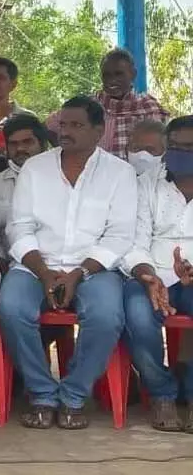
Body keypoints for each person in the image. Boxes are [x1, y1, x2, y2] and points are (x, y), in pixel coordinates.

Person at [0, 96, 135, 430]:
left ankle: (73, 396)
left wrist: (78, 273)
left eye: (77, 125)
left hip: (94, 268)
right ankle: (43, 393)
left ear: (99, 131)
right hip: (34, 265)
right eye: (63, 125)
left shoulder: (120, 173)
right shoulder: (36, 168)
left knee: (106, 316)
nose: (66, 132)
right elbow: (19, 227)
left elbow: (119, 236)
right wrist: (43, 272)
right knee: (10, 308)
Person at [121, 115, 193, 432]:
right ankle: (162, 392)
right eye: (174, 146)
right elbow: (134, 241)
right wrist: (148, 274)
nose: (180, 153)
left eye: (189, 147)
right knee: (136, 314)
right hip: (153, 270)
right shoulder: (146, 184)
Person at [47, 48, 168, 159]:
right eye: (106, 75)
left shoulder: (148, 106)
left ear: (133, 74)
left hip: (140, 179)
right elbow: (47, 127)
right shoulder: (87, 106)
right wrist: (71, 153)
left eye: (118, 74)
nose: (112, 80)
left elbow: (162, 146)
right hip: (97, 178)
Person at [0, 115, 49, 266]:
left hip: (63, 263)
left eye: (27, 142)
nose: (20, 149)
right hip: (14, 266)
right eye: (13, 144)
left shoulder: (64, 179)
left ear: (43, 144)